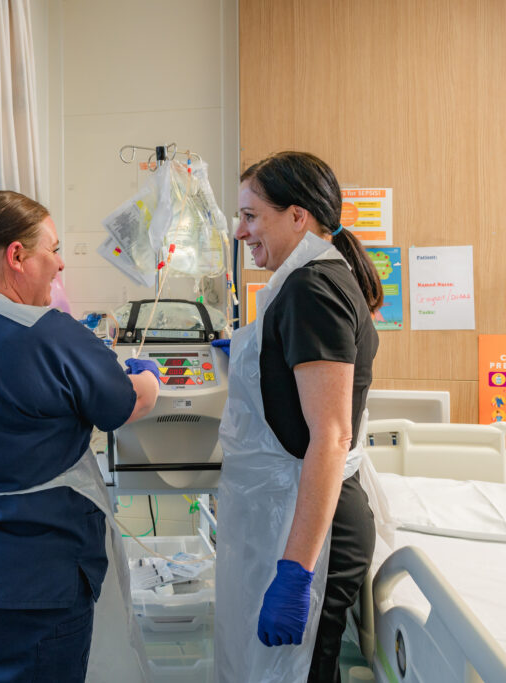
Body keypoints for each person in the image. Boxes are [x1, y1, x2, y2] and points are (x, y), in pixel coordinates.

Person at [0, 190, 161, 682]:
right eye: (53, 250)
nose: (60, 265)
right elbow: (125, 404)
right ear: (17, 256)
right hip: (23, 576)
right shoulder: (50, 335)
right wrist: (151, 377)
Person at [214, 151, 383, 683]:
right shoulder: (308, 281)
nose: (240, 231)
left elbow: (331, 436)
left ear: (297, 216)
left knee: (300, 671)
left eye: (250, 215)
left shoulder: (312, 290)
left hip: (317, 529)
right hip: (306, 513)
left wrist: (294, 574)